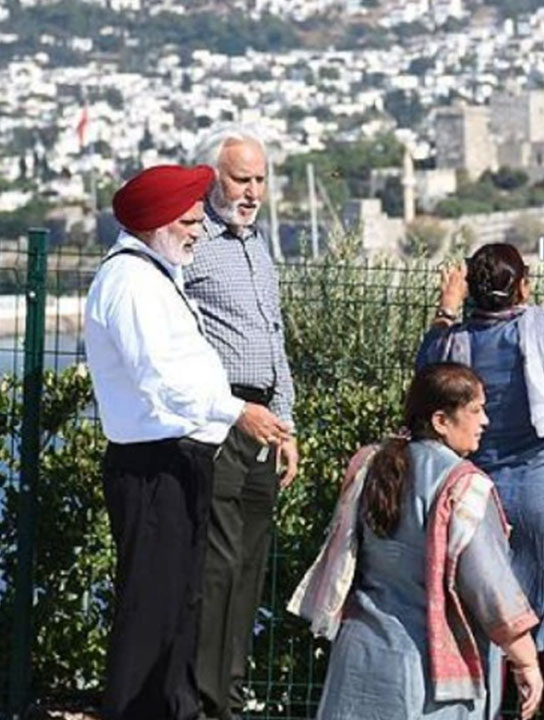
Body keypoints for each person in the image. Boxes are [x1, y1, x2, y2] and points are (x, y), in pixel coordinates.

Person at [85, 165, 290, 720]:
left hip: (180, 460)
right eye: (191, 220)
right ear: (157, 223)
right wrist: (236, 412)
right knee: (152, 611)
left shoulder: (158, 275)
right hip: (153, 465)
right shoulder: (130, 283)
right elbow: (161, 378)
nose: (200, 230)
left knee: (180, 608)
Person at [415, 233, 544, 719]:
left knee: (487, 603)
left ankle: (490, 708)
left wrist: (446, 308)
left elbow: (427, 373)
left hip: (481, 489)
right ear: (525, 288)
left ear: (471, 287)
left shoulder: (451, 344)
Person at [313, 363, 543, 720]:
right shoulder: (465, 488)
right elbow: (489, 585)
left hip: (357, 660)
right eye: (476, 410)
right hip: (426, 680)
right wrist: (526, 659)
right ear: (440, 420)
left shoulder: (369, 465)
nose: (485, 421)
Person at [186, 124, 299, 720]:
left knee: (249, 569)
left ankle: (229, 696)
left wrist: (288, 424)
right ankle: (205, 703)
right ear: (213, 178)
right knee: (217, 566)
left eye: (260, 180)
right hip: (220, 418)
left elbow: (274, 339)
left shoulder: (257, 246)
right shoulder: (191, 242)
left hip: (264, 423)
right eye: (242, 179)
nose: (253, 191)